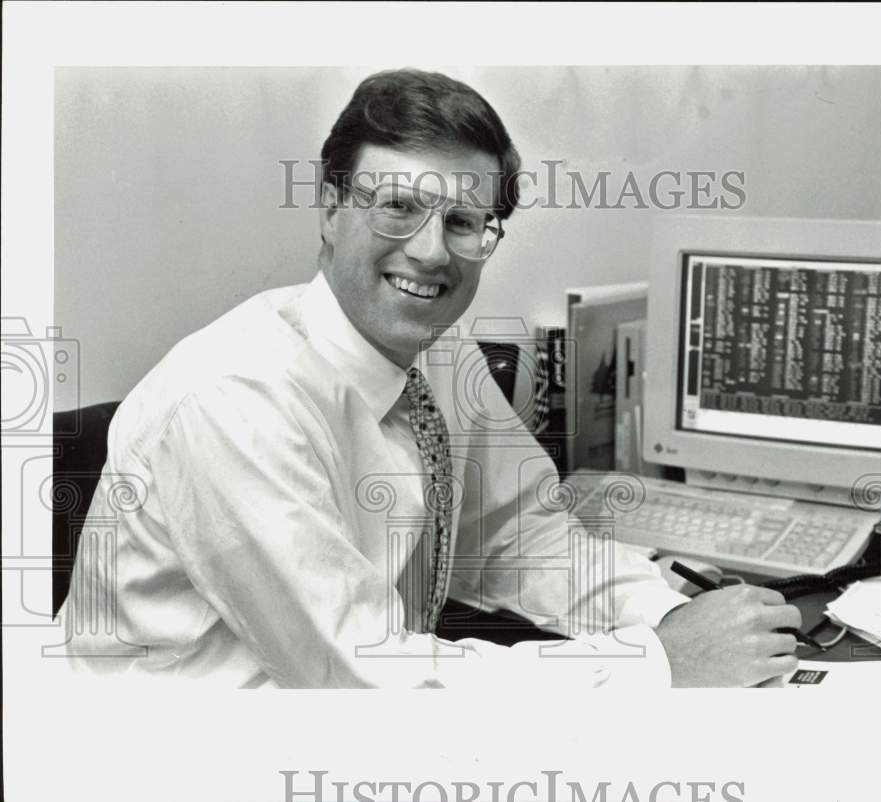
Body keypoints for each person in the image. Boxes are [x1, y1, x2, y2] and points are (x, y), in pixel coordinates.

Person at [59, 69, 801, 688]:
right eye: (398, 209)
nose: (430, 252)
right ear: (329, 209)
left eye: (463, 222)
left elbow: (520, 539)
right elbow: (363, 677)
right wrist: (659, 667)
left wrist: (661, 612)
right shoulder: (234, 401)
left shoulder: (442, 360)